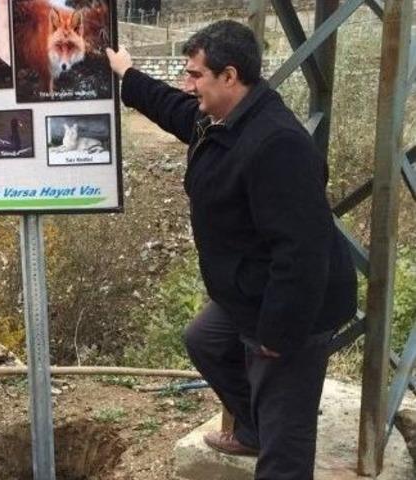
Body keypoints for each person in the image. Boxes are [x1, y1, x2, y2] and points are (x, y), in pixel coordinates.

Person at [107, 21, 356, 479]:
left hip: (296, 306)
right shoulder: (220, 120)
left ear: (229, 76)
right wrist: (128, 74)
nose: (188, 84)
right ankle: (255, 427)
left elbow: (302, 252)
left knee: (286, 443)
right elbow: (173, 108)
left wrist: (277, 336)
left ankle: (270, 433)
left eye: (196, 75)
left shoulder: (277, 144)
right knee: (205, 340)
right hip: (250, 289)